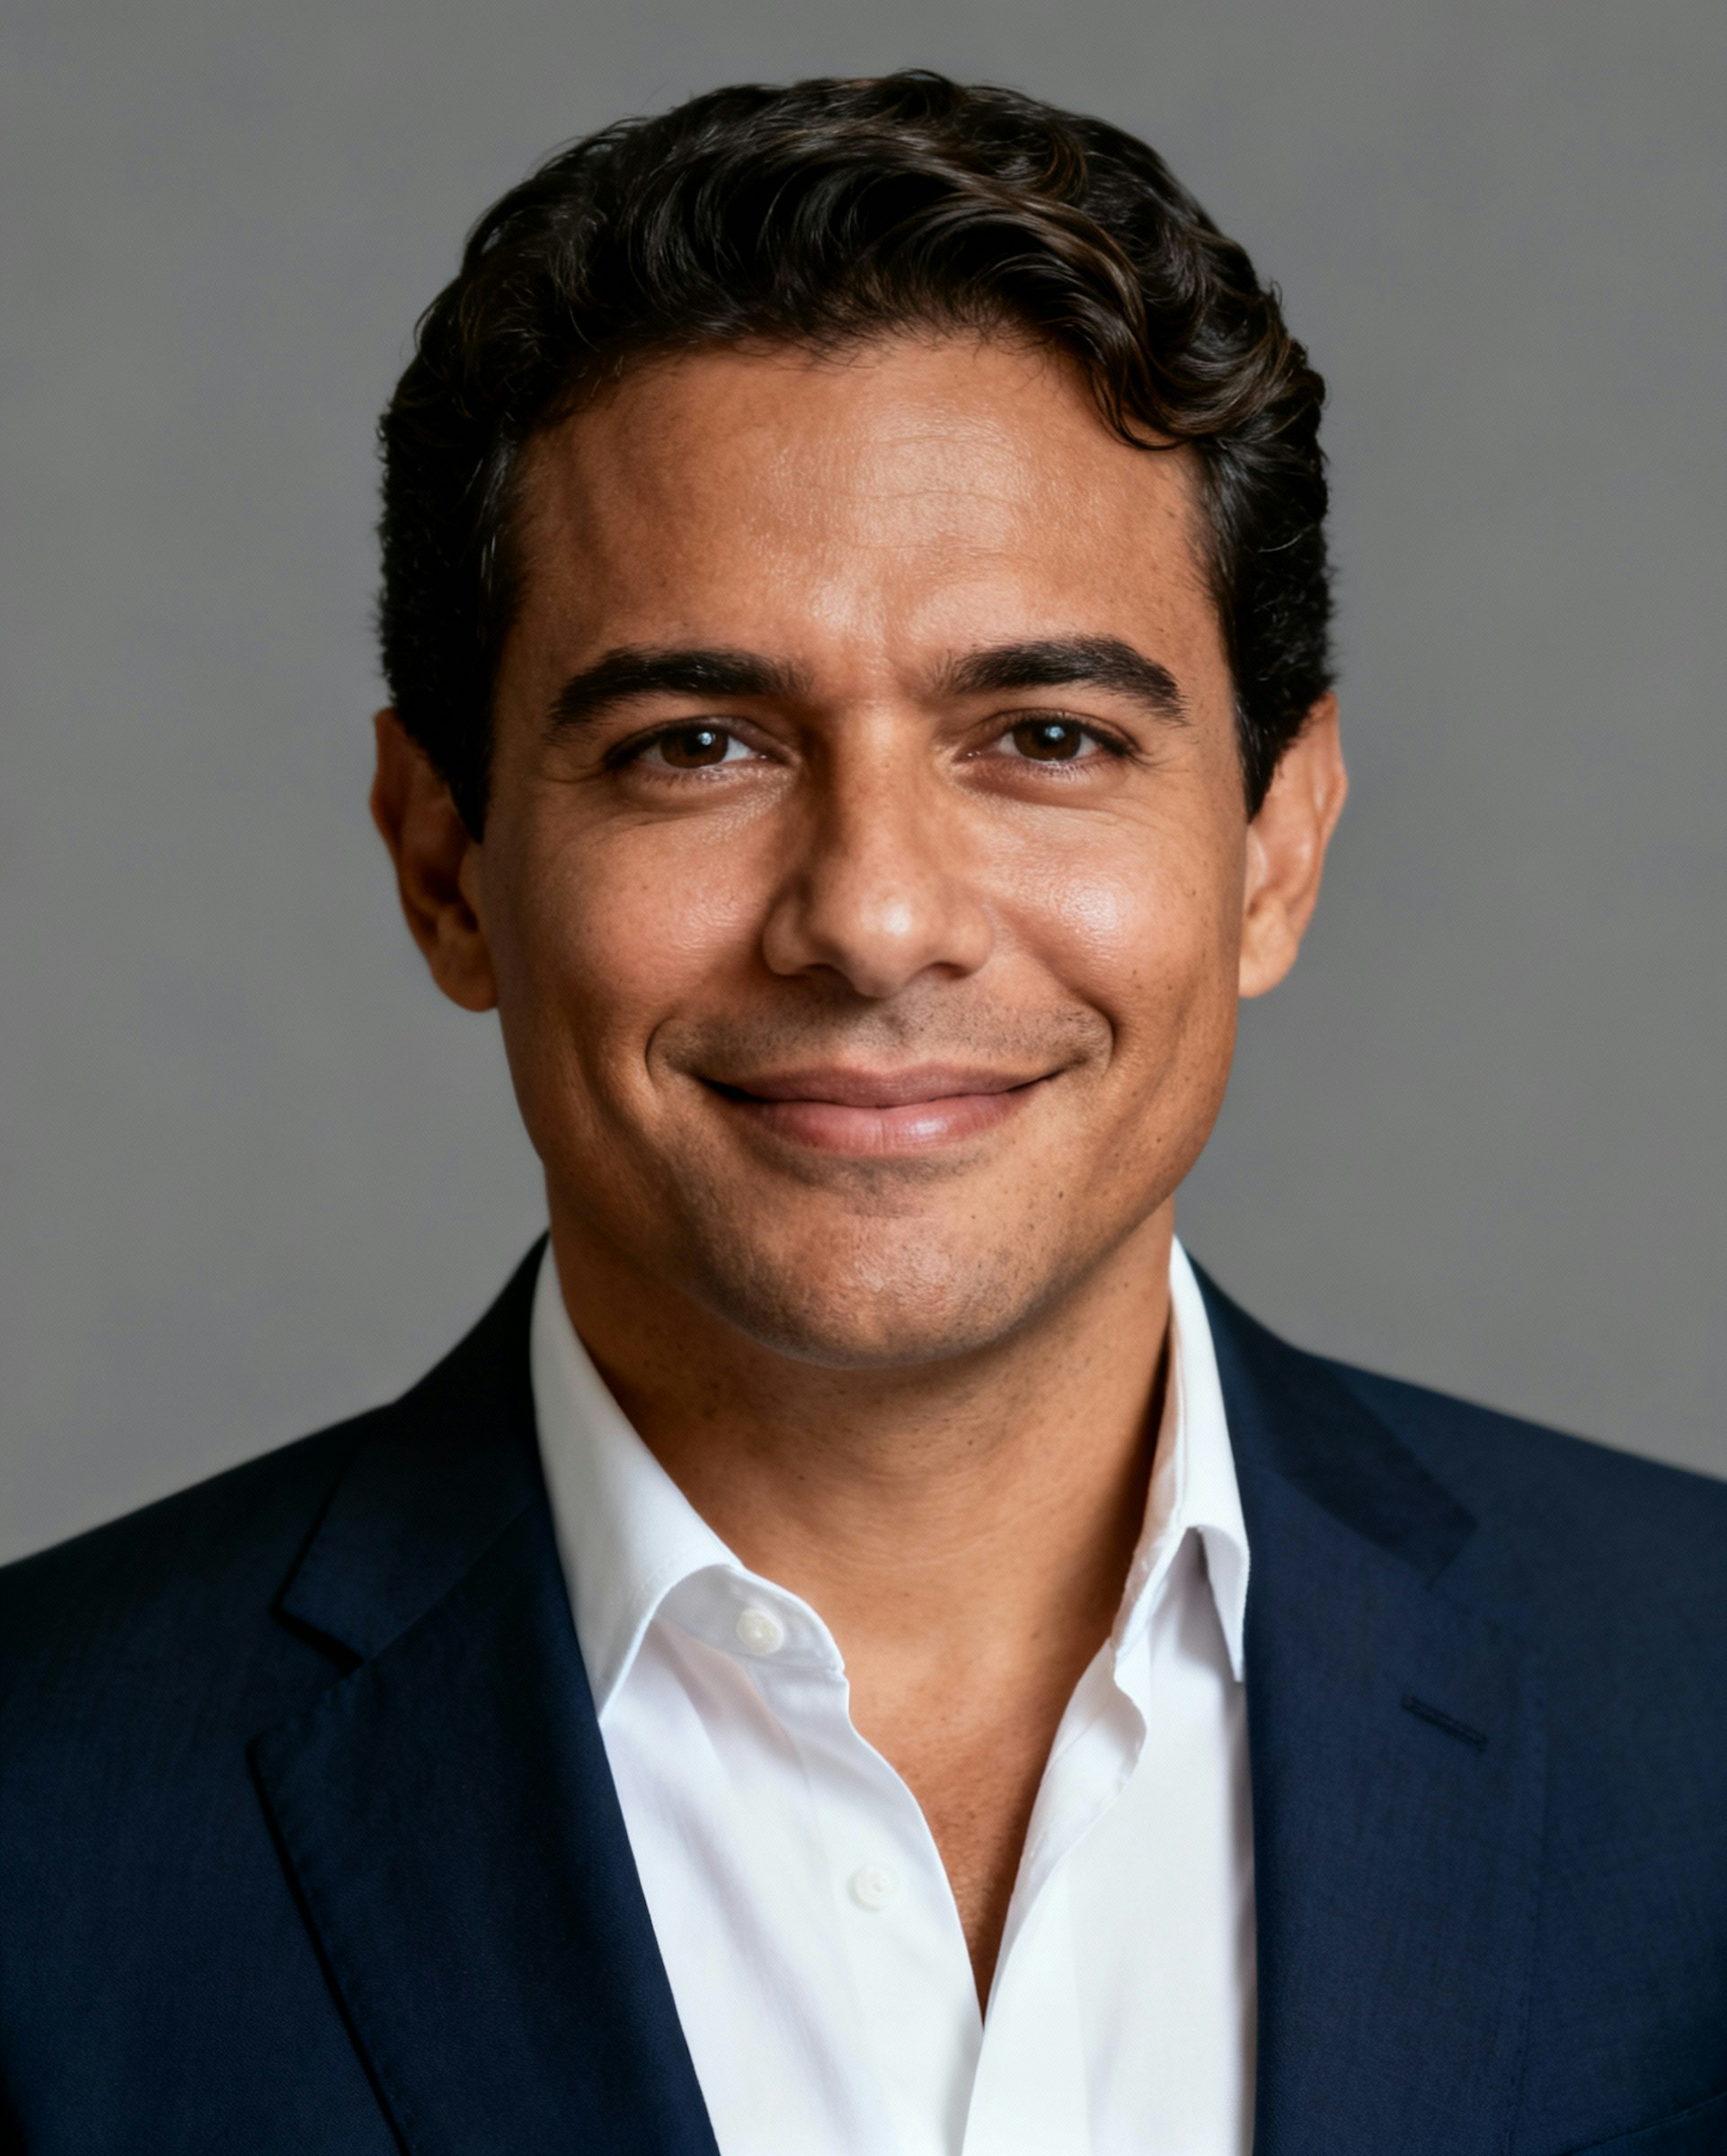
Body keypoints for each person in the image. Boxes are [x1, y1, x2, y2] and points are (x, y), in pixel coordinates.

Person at [1, 70, 1723, 2156]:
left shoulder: (1691, 1712)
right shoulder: (43, 1809)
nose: (875, 916)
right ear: (444, 860)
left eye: (1048, 734)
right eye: (697, 741)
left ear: (1276, 847)